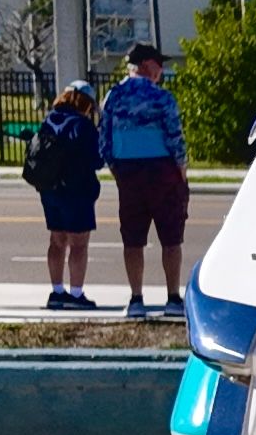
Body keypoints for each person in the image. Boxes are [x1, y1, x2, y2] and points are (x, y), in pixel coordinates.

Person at [100, 41, 189, 319]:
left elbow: (104, 140)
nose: (161, 70)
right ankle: (172, 297)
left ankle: (136, 298)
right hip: (162, 172)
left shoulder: (113, 96)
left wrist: (117, 170)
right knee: (171, 239)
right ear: (147, 65)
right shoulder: (162, 98)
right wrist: (182, 171)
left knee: (133, 239)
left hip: (128, 172)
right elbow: (175, 137)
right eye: (158, 64)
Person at [26, 81, 103, 310]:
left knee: (57, 241)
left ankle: (57, 291)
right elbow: (96, 159)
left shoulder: (49, 120)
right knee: (78, 244)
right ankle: (76, 294)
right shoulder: (82, 125)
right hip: (76, 191)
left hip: (49, 189)